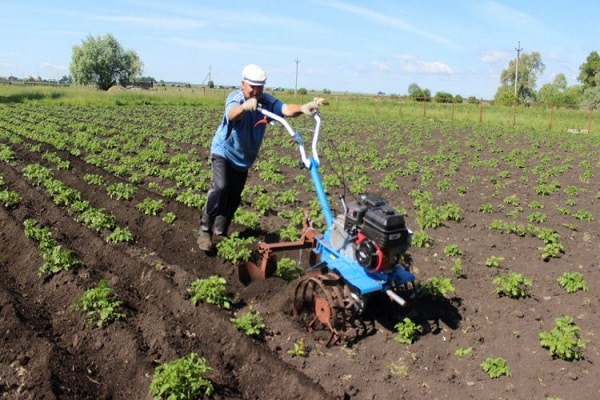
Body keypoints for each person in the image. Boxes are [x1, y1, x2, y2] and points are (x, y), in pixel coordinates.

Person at [197, 64, 320, 251]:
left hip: (244, 158)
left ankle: (221, 230)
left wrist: (303, 108)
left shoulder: (266, 101)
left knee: (234, 196)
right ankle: (205, 230)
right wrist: (244, 107)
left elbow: (286, 109)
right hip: (224, 151)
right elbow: (232, 114)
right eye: (252, 87)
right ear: (243, 84)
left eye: (260, 87)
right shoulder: (235, 98)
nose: (256, 91)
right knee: (221, 187)